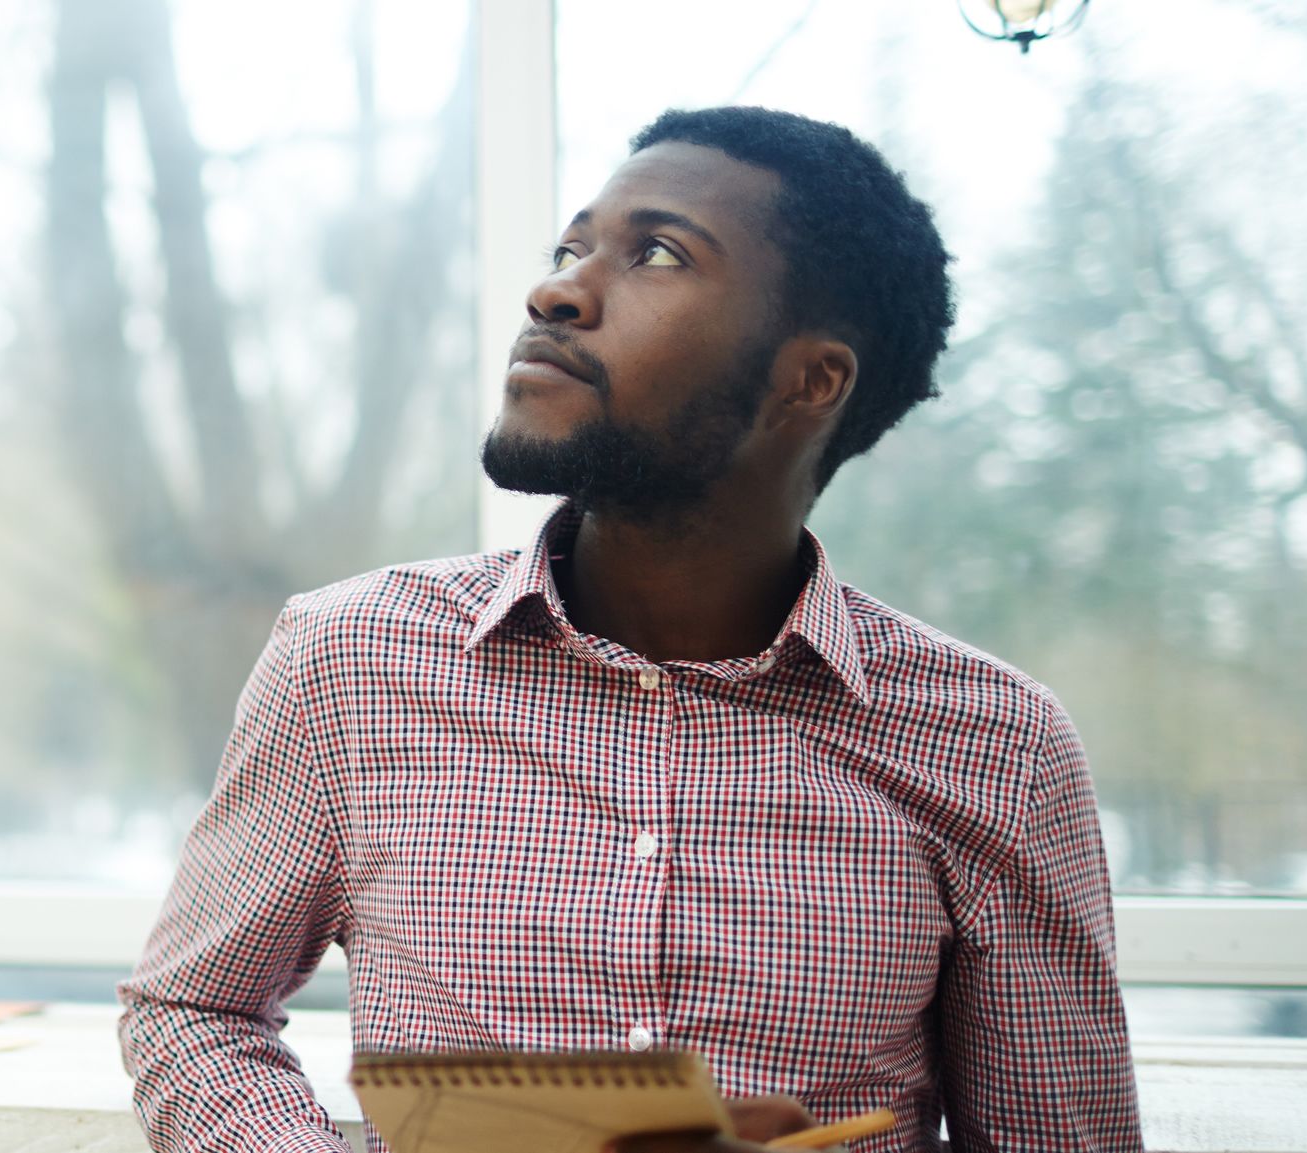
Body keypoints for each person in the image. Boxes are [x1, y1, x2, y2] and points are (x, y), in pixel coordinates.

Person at [116, 105, 1144, 1153]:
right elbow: (195, 1009)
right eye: (570, 247)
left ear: (812, 379)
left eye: (656, 253)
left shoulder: (998, 745)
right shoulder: (348, 657)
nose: (555, 290)